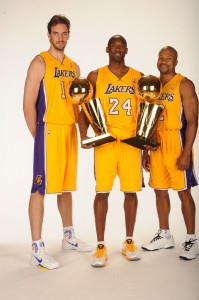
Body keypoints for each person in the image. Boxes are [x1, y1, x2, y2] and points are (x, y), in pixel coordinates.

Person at [23, 15, 92, 270]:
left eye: (64, 33)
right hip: (49, 131)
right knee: (39, 188)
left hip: (69, 131)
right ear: (49, 35)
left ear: (69, 35)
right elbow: (27, 106)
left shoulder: (74, 67)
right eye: (55, 33)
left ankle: (68, 236)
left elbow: (80, 104)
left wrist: (84, 133)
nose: (60, 38)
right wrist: (38, 137)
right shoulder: (40, 62)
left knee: (65, 187)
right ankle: (37, 248)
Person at [78, 35, 143, 267]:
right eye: (114, 45)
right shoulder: (96, 75)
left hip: (130, 139)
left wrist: (146, 142)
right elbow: (84, 106)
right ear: (107, 49)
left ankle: (128, 242)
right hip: (105, 140)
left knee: (131, 191)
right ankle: (101, 246)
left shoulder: (138, 77)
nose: (117, 48)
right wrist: (83, 134)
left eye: (121, 45)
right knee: (102, 192)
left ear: (126, 49)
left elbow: (147, 110)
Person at [142, 46, 199, 260]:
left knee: (183, 192)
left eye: (169, 58)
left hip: (177, 141)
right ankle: (165, 234)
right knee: (159, 190)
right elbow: (148, 119)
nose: (164, 61)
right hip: (156, 143)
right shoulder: (152, 86)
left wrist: (186, 153)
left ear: (176, 62)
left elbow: (193, 121)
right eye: (161, 57)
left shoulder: (184, 84)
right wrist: (145, 150)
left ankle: (192, 238)